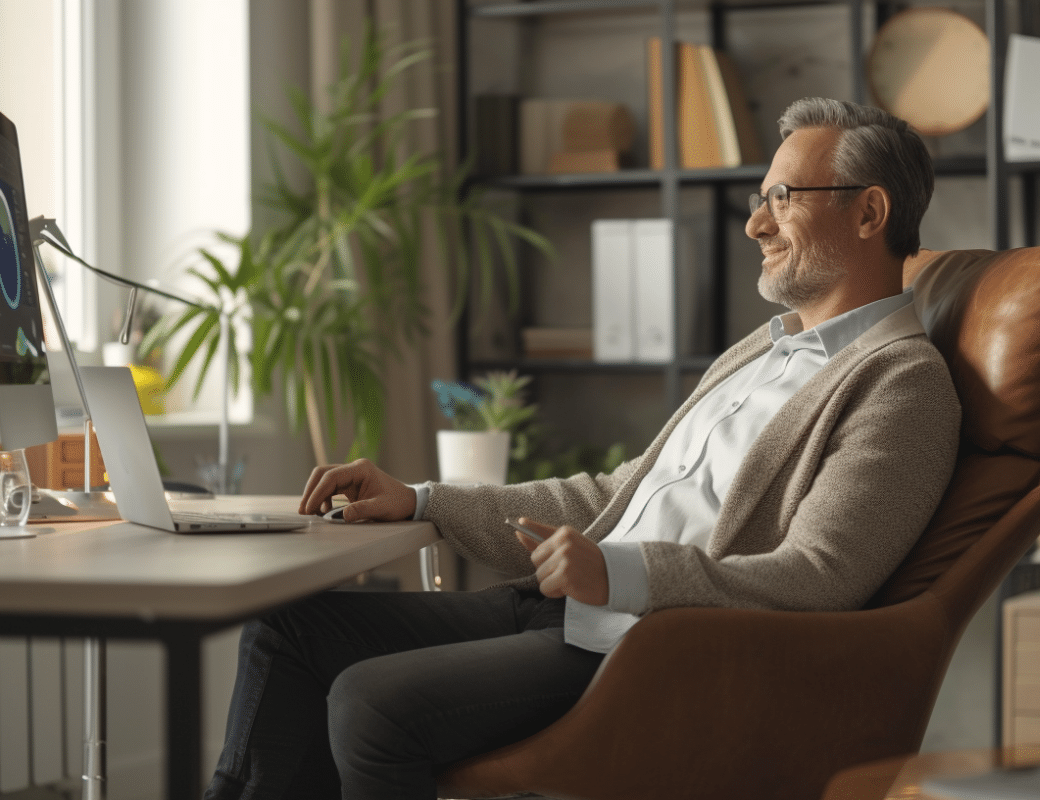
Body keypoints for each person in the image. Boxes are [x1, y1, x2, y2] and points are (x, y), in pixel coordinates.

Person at [204, 97, 961, 800]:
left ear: (869, 212)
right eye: (762, 200)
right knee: (290, 632)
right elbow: (614, 495)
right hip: (566, 612)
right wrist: (422, 500)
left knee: (370, 705)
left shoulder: (902, 384)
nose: (755, 225)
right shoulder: (759, 354)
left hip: (645, 651)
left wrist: (618, 573)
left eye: (782, 199)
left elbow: (818, 577)